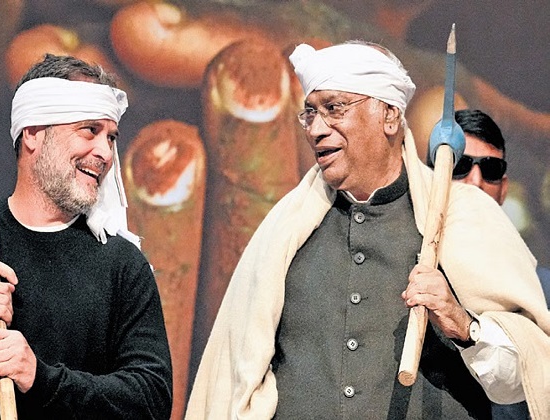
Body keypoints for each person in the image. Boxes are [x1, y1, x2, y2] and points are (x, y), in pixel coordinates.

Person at [185, 41, 550, 419]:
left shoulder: (462, 214)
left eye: (334, 109)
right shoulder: (284, 229)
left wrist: (462, 324)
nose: (316, 129)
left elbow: (523, 378)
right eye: (309, 114)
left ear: (390, 116)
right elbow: (234, 379)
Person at [0, 55, 172, 419]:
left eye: (111, 137)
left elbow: (151, 401)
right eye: (90, 130)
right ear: (33, 132)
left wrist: (41, 379)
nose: (105, 152)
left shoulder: (123, 266)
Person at [448, 108, 550, 419]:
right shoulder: (405, 272)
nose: (475, 181)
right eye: (459, 165)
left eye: (490, 169)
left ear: (503, 189)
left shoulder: (543, 292)